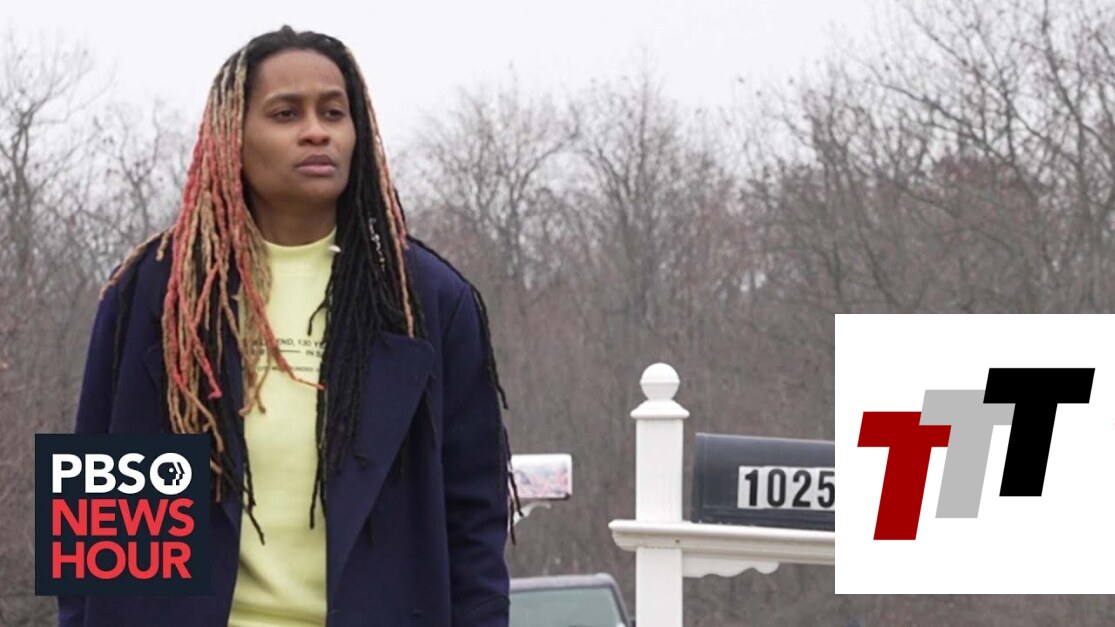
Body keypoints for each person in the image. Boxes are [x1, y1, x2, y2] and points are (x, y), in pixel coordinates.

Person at [58, 25, 516, 627]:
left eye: (333, 112)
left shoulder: (422, 301)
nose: (316, 131)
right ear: (233, 136)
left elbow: (474, 523)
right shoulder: (164, 295)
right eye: (285, 113)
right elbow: (99, 523)